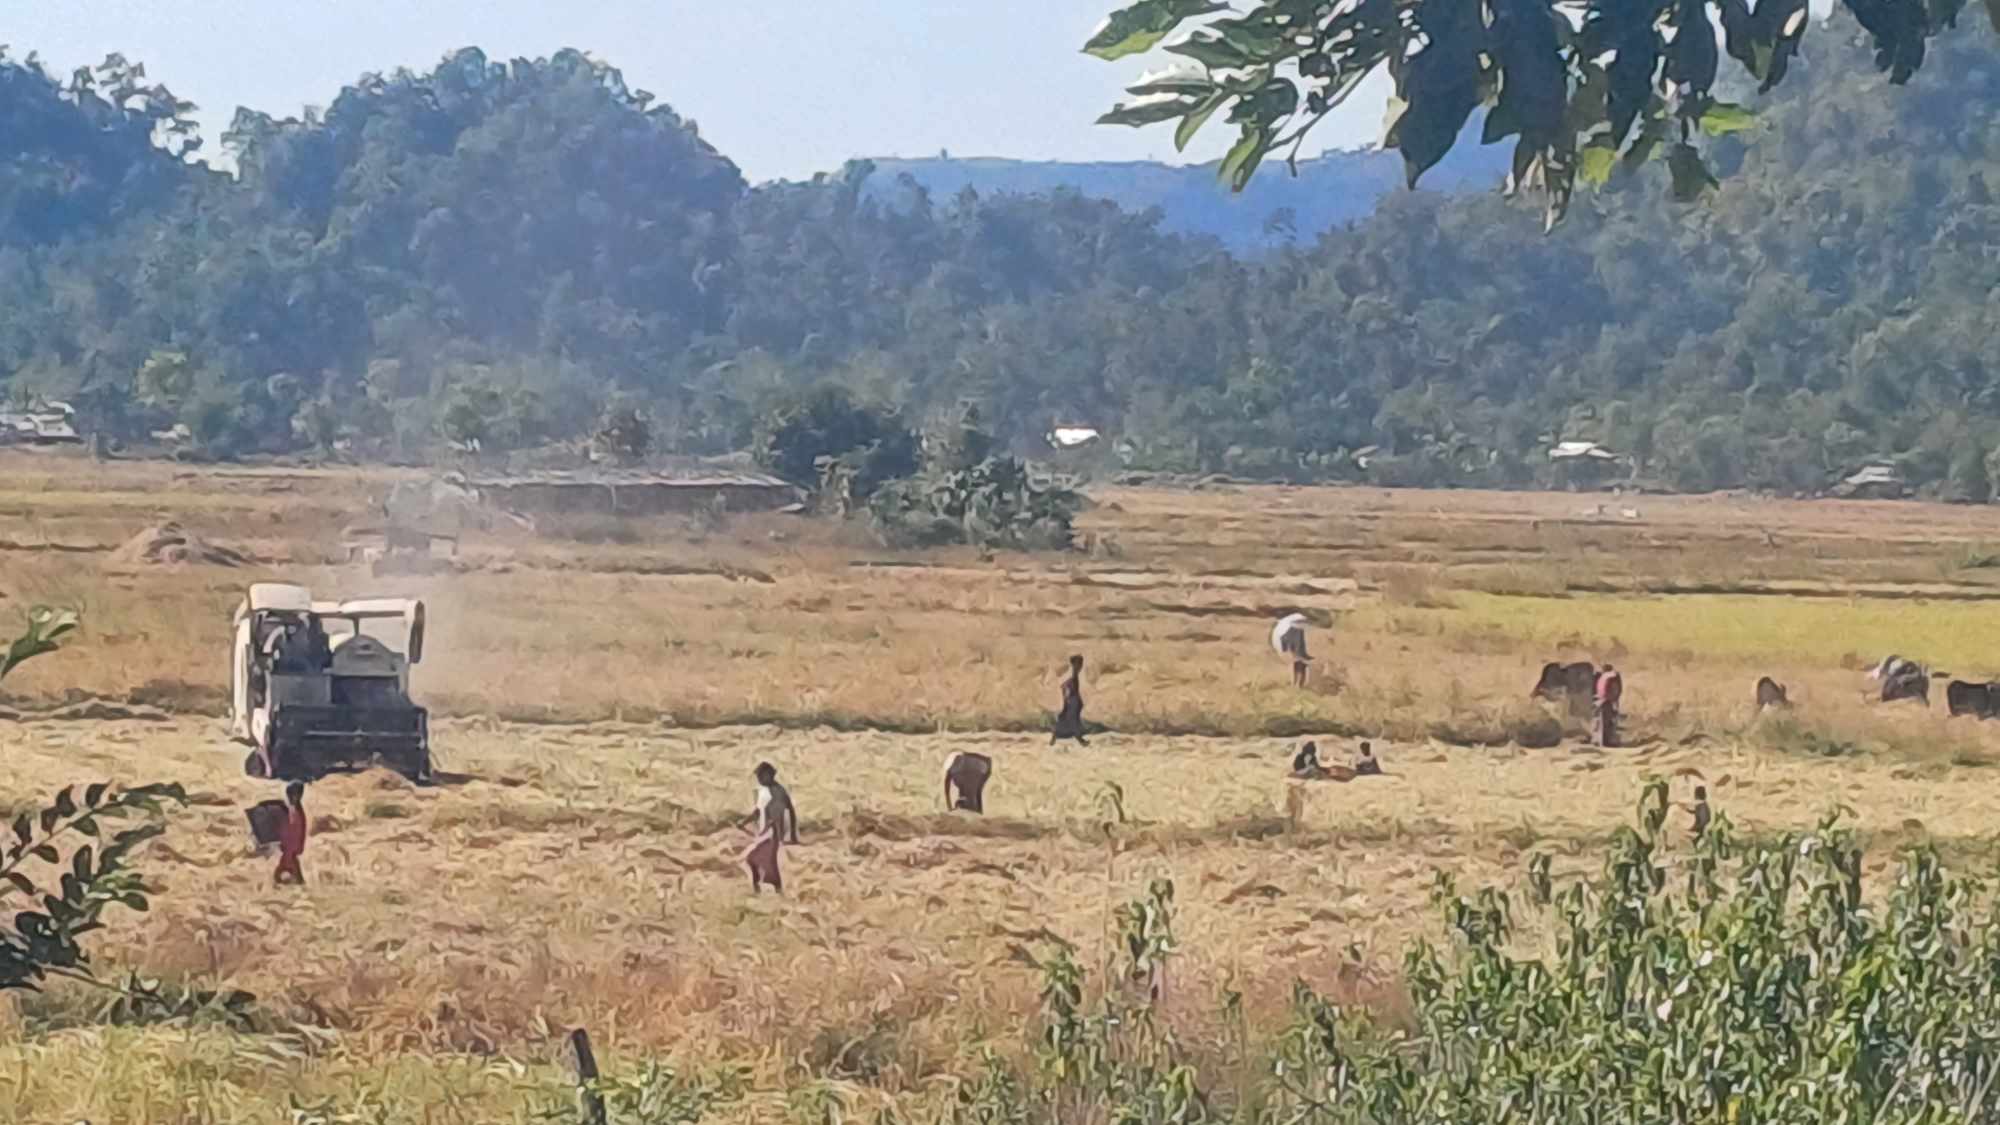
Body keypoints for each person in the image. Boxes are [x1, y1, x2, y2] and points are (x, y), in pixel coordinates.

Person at [738, 762, 799, 894]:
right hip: (767, 833)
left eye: (761, 775)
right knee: (761, 861)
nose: (759, 778)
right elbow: (759, 811)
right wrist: (744, 821)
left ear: (769, 775)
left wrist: (781, 834)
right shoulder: (765, 791)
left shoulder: (777, 792)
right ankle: (767, 891)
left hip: (773, 833)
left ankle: (764, 891)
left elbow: (780, 814)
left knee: (756, 860)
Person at [273, 781, 308, 886]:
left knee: (289, 864)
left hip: (291, 846)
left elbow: (299, 830)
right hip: (289, 846)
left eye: (296, 795)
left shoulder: (297, 812)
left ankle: (294, 882)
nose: (294, 798)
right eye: (292, 795)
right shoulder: (292, 811)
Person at [1051, 655, 1089, 746]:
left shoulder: (1074, 676)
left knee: (1068, 720)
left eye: (1081, 664)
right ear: (1074, 664)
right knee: (1071, 720)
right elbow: (1068, 688)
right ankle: (1080, 740)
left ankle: (1055, 737)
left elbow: (1071, 688)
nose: (1080, 666)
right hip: (1072, 702)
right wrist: (1070, 699)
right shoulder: (1073, 676)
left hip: (1073, 702)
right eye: (1078, 663)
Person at [1593, 663, 1624, 748]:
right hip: (1609, 701)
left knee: (1603, 723)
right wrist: (1615, 700)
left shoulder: (1602, 677)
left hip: (1600, 701)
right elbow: (1617, 690)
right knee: (1609, 723)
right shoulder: (1613, 677)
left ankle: (1602, 742)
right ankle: (1608, 742)